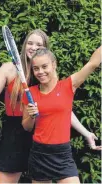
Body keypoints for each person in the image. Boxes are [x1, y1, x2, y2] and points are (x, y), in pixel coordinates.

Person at [0, 29, 101, 183]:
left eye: (39, 45)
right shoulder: (9, 69)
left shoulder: (45, 75)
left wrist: (85, 132)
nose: (33, 47)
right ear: (23, 46)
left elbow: (61, 108)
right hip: (16, 132)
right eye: (30, 43)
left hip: (43, 135)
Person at [23, 47, 100, 183]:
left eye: (44, 66)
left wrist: (87, 133)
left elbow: (93, 63)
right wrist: (32, 116)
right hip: (39, 154)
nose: (40, 72)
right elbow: (27, 127)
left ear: (54, 65)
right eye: (36, 68)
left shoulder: (68, 85)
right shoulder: (30, 93)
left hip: (62, 154)